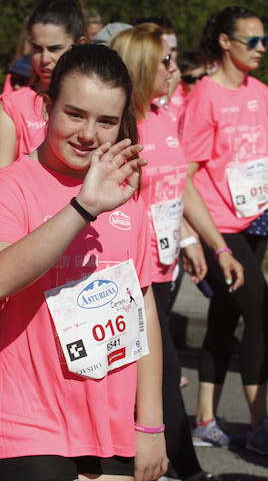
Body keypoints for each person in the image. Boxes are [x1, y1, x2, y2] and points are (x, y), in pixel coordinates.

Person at [0, 44, 167, 481]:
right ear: (46, 107)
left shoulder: (125, 188)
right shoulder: (9, 187)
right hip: (27, 417)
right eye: (75, 114)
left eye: (105, 121)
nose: (88, 134)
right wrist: (82, 207)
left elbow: (144, 306)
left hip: (109, 420)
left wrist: (150, 423)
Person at [111, 24, 243, 481]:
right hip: (133, 274)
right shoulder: (122, 128)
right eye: (165, 61)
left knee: (149, 374)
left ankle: (143, 460)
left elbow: (180, 187)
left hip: (166, 267)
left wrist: (212, 243)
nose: (174, 68)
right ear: (142, 68)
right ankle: (184, 468)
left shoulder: (164, 117)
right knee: (161, 373)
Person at [181, 6, 268, 454]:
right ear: (225, 43)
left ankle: (206, 419)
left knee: (225, 317)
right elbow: (185, 173)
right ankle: (259, 426)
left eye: (264, 39)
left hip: (256, 220)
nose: (261, 48)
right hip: (218, 225)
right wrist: (192, 237)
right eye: (251, 40)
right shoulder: (206, 96)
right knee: (260, 309)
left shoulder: (262, 93)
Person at [0, 0, 87, 174]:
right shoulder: (12, 106)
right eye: (36, 48)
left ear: (80, 45)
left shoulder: (96, 101)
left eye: (55, 48)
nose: (44, 59)